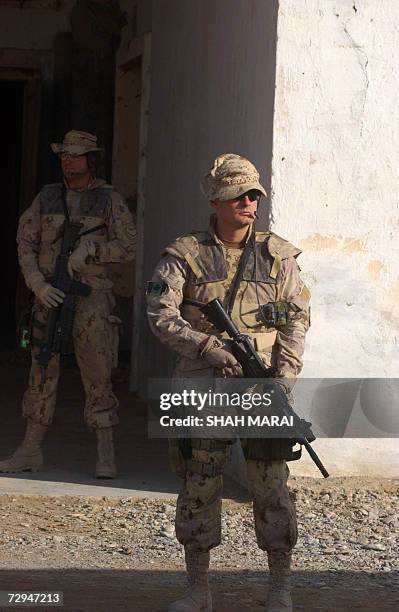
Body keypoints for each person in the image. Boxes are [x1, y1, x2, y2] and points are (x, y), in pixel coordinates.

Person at [146, 154, 310, 612]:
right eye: (240, 195)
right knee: (199, 481)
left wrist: (284, 378)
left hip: (261, 389)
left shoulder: (278, 255)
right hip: (205, 385)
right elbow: (161, 314)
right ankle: (198, 588)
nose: (250, 202)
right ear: (217, 199)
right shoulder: (185, 254)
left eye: (255, 194)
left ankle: (280, 587)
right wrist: (205, 346)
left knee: (271, 485)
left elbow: (297, 320)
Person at [0, 130, 136, 479]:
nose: (68, 160)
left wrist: (95, 250)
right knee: (41, 370)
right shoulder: (47, 198)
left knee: (98, 375)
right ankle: (31, 449)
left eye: (75, 155)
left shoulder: (108, 200)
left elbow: (129, 246)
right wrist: (37, 284)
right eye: (64, 154)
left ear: (91, 159)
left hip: (91, 300)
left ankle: (105, 453)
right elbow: (25, 242)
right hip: (50, 296)